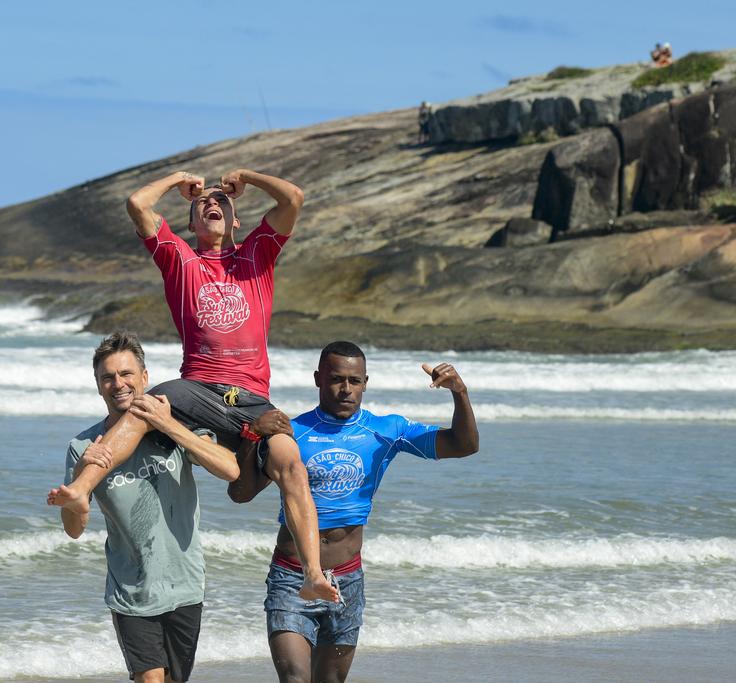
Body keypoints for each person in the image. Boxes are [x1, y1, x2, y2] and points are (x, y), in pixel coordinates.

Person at [49, 169, 338, 603]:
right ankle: (81, 489)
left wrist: (247, 178)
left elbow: (293, 197)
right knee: (143, 408)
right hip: (198, 388)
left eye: (222, 202)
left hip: (252, 399)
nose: (212, 204)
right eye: (203, 203)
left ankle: (314, 574)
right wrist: (179, 179)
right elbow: (137, 205)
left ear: (236, 221)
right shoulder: (180, 260)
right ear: (190, 224)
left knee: (291, 462)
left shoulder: (256, 256)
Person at [228, 341, 480, 683]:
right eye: (336, 379)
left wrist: (460, 393)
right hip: (292, 577)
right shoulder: (292, 432)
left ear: (365, 382)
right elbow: (241, 493)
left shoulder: (387, 430)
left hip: (348, 579)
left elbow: (463, 445)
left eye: (355, 381)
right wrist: (252, 436)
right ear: (318, 378)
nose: (346, 389)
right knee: (294, 678)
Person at [52, 332, 241, 683]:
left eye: (126, 374)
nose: (118, 384)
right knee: (150, 679)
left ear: (144, 378)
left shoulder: (175, 426)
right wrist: (80, 476)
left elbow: (229, 469)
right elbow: (74, 529)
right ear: (97, 385)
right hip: (132, 587)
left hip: (186, 581)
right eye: (107, 377)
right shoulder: (83, 448)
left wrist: (168, 424)